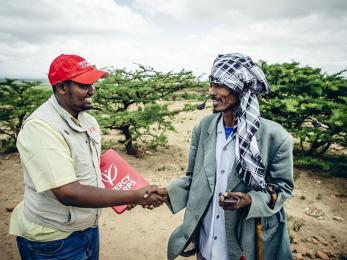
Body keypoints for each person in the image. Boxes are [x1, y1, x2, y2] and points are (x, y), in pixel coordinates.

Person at [9, 54, 167, 260]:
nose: (92, 90)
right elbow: (68, 192)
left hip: (88, 230)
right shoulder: (41, 127)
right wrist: (134, 195)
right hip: (54, 240)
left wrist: (123, 193)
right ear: (61, 87)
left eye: (92, 83)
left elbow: (91, 167)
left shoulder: (87, 119)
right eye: (84, 85)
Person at [165, 53, 294, 260]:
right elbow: (193, 178)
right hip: (207, 241)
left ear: (242, 90)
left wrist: (251, 200)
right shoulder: (204, 127)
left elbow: (282, 188)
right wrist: (166, 193)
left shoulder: (275, 137)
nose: (212, 92)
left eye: (219, 85)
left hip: (246, 244)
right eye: (211, 84)